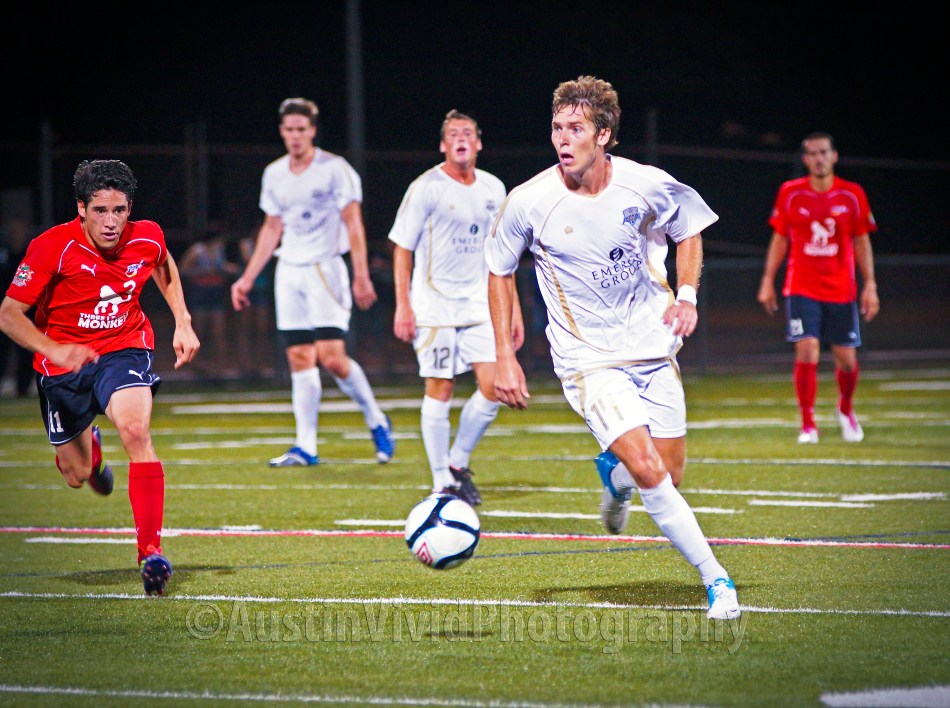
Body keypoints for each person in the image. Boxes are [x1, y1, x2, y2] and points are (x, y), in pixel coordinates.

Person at [485, 76, 740, 620]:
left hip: (652, 345)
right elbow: (499, 268)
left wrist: (688, 295)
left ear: (604, 135)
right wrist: (503, 355)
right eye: (557, 127)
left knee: (667, 474)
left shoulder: (645, 184)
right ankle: (717, 579)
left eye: (575, 128)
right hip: (587, 360)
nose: (563, 138)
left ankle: (615, 477)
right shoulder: (529, 200)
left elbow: (689, 228)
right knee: (651, 469)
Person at [0, 159, 200, 596]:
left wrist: (182, 320)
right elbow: (9, 315)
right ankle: (91, 458)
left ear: (131, 209)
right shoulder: (51, 246)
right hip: (62, 366)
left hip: (123, 347)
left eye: (120, 211)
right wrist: (55, 350)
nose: (111, 223)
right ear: (81, 209)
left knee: (135, 429)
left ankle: (151, 555)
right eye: (100, 211)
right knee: (73, 474)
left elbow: (162, 264)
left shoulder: (147, 234)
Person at [231, 97, 395, 466]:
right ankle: (306, 446)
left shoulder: (335, 170)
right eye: (288, 129)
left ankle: (376, 419)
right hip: (289, 270)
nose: (295, 136)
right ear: (281, 132)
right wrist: (247, 278)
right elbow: (273, 228)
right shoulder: (274, 173)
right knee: (299, 356)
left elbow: (354, 222)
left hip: (326, 269)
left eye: (301, 129)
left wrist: (361, 273)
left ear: (313, 131)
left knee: (332, 359)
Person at [389, 110, 523, 505]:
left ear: (478, 143)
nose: (461, 138)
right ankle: (440, 482)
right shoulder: (425, 187)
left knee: (495, 387)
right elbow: (402, 248)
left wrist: (512, 311)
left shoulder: (495, 188)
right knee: (441, 388)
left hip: (482, 305)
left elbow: (504, 256)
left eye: (468, 133)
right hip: (435, 307)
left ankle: (457, 465)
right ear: (443, 145)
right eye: (453, 134)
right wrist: (403, 305)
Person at [758, 132, 879, 445]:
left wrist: (871, 286)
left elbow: (862, 240)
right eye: (812, 153)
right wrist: (768, 280)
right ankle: (808, 424)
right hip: (801, 287)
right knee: (807, 348)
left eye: (824, 152)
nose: (819, 158)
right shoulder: (791, 193)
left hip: (841, 290)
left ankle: (846, 409)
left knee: (847, 360)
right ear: (805, 159)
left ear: (834, 156)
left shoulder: (852, 194)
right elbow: (780, 238)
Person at [178, 231, 239, 376]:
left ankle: (219, 365)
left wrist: (229, 269)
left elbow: (222, 266)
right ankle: (195, 365)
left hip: (216, 292)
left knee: (218, 331)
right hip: (200, 292)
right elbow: (182, 270)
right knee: (199, 330)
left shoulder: (219, 250)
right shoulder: (197, 250)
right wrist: (203, 272)